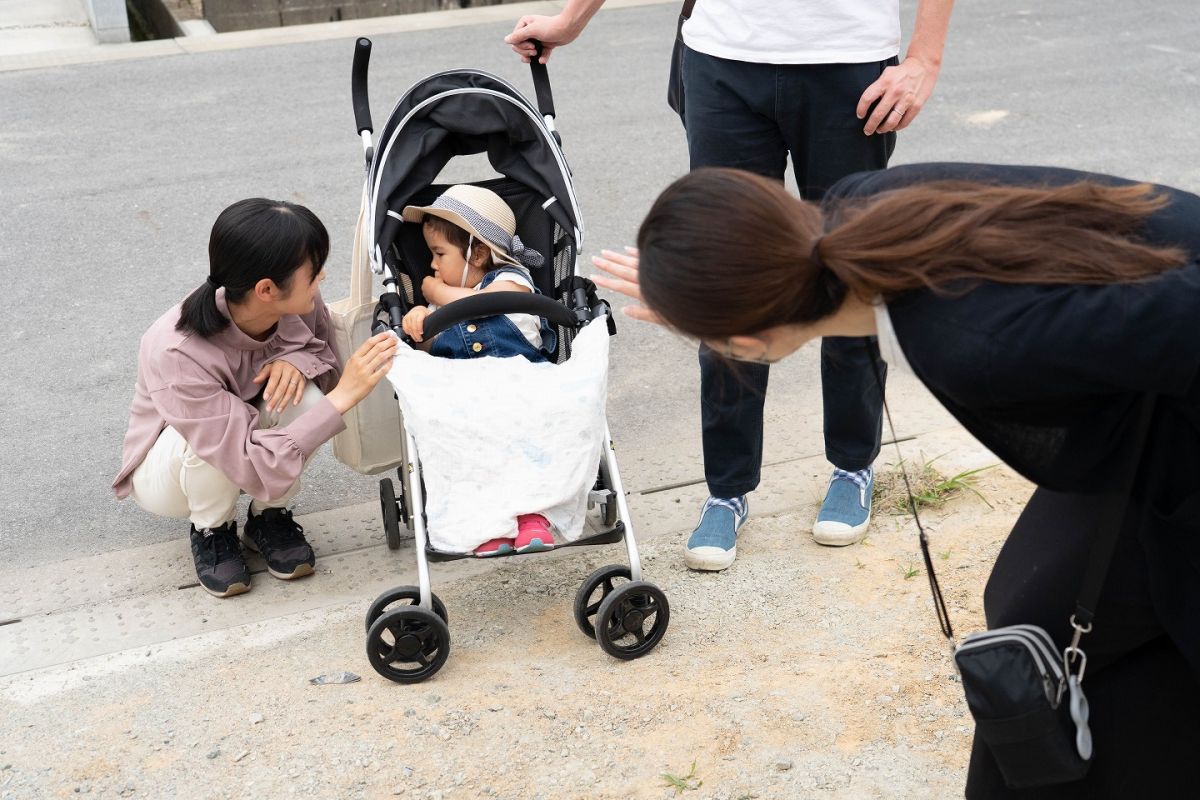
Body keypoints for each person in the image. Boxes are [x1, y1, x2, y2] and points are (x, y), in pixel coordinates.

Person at [593, 163, 1200, 797]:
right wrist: (714, 292)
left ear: (746, 338)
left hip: (1177, 436)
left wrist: (719, 314)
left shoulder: (966, 341)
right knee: (1030, 611)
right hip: (1155, 422)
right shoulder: (862, 205)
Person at [508, 0, 955, 571]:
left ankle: (852, 464)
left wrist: (924, 58)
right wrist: (570, 21)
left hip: (850, 61)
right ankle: (727, 488)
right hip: (723, 56)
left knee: (848, 269)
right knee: (726, 273)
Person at [112, 198, 399, 598]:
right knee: (207, 445)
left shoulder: (299, 302)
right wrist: (346, 396)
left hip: (247, 438)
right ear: (266, 289)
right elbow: (241, 456)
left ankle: (268, 517)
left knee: (306, 397)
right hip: (171, 469)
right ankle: (212, 529)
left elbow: (326, 366)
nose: (322, 278)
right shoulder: (176, 351)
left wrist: (298, 360)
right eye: (313, 273)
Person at [399, 184, 557, 556]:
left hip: (520, 392)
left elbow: (488, 304)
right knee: (471, 459)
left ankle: (532, 518)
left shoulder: (511, 278)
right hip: (465, 400)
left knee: (524, 452)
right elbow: (428, 347)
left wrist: (434, 294)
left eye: (439, 254)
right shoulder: (442, 300)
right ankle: (489, 525)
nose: (433, 266)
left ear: (480, 253)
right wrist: (420, 320)